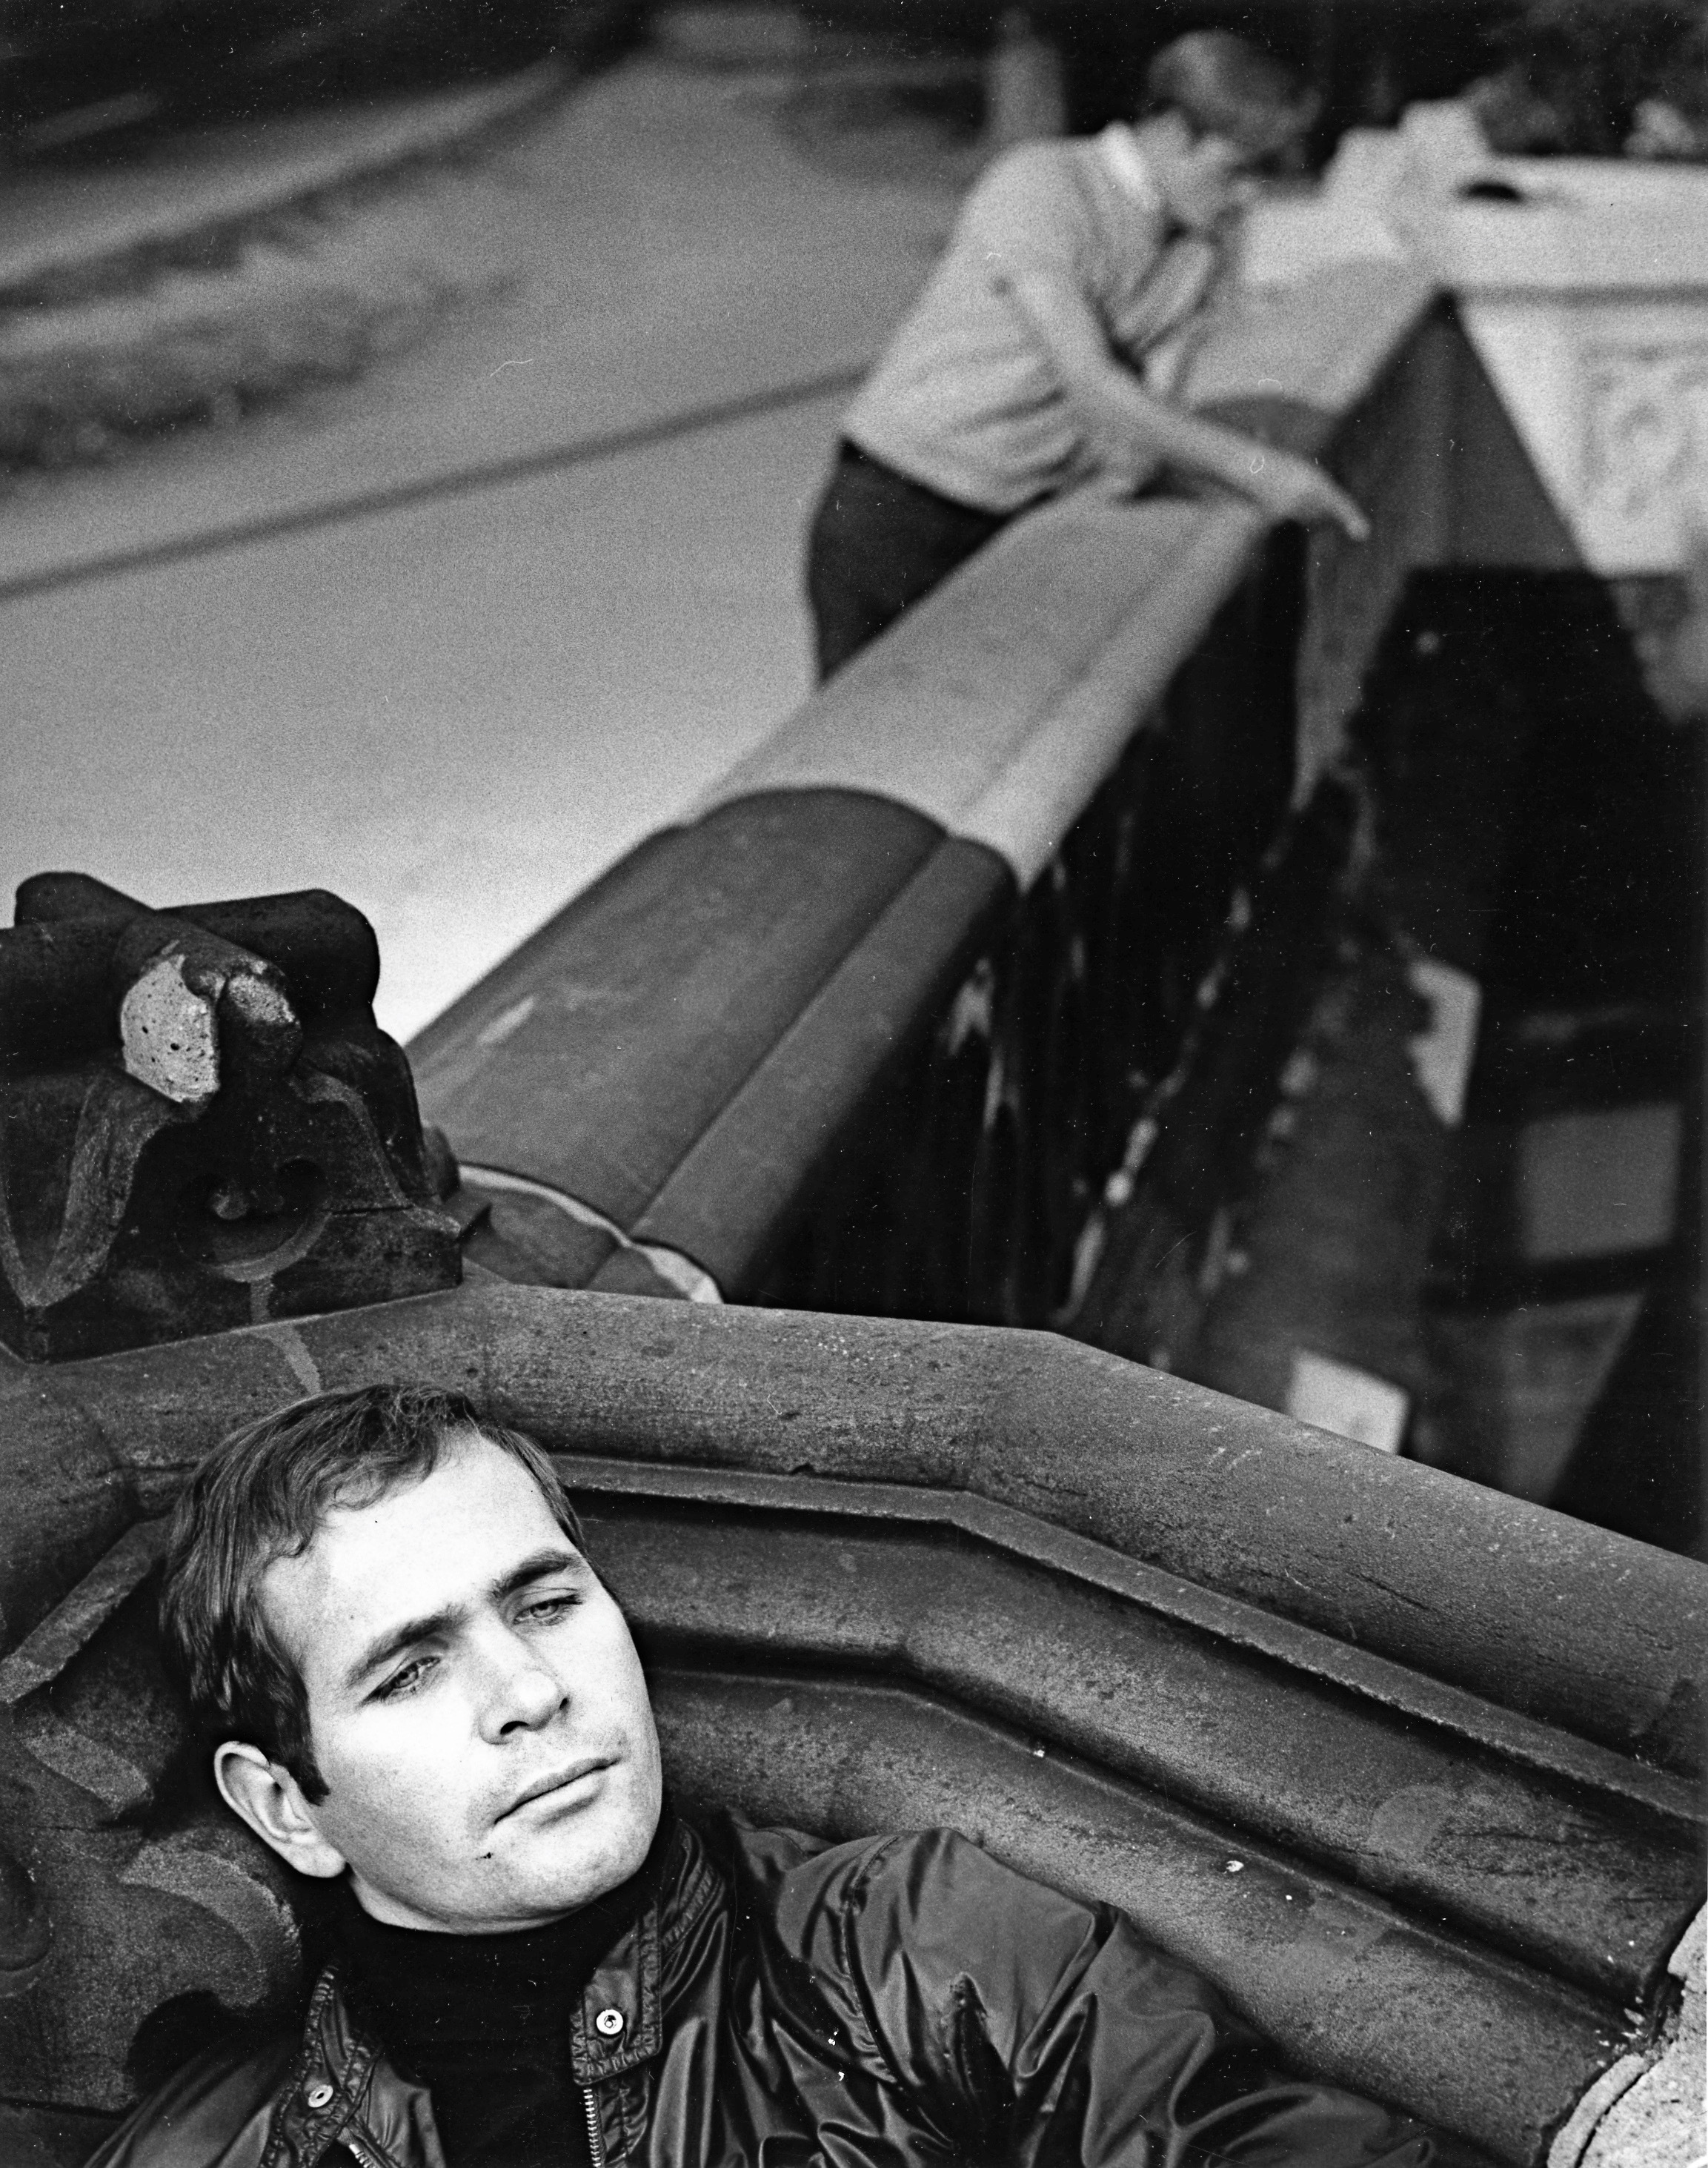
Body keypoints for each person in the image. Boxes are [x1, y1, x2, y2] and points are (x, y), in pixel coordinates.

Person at [93, 1384, 1452, 2168]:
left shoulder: (910, 1950)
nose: (528, 1693)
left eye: (548, 1603)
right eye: (409, 1670)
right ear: (286, 1806)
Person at [805, 30, 1370, 680]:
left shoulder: (1202, 239)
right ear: (1173, 132)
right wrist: (1256, 470)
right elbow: (1092, 383)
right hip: (896, 507)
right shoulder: (1041, 186)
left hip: (1015, 517)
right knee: (879, 748)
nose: (1247, 197)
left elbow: (1149, 412)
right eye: (1236, 170)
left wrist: (1157, 473)